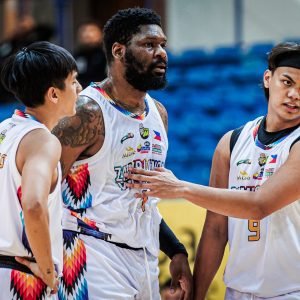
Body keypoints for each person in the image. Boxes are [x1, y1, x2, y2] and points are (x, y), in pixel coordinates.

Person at [126, 42, 300, 299]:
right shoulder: (231, 143)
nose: (295, 94)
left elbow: (259, 205)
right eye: (287, 82)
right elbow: (216, 229)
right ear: (267, 78)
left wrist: (181, 187)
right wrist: (196, 295)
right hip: (237, 291)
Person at [52, 7, 192, 300]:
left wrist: (176, 249)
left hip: (145, 258)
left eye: (162, 45)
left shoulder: (159, 114)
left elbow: (143, 200)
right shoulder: (85, 113)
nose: (161, 53)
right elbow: (41, 190)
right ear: (118, 51)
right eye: (149, 45)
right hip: (90, 252)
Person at [0, 41, 81, 299]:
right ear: (54, 94)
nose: (79, 88)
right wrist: (47, 269)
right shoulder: (43, 141)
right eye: (74, 81)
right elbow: (34, 204)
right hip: (21, 278)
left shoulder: (4, 130)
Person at [73, 21, 107, 88]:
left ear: (101, 34)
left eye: (91, 30)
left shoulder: (107, 56)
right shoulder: (75, 57)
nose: (87, 34)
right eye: (84, 30)